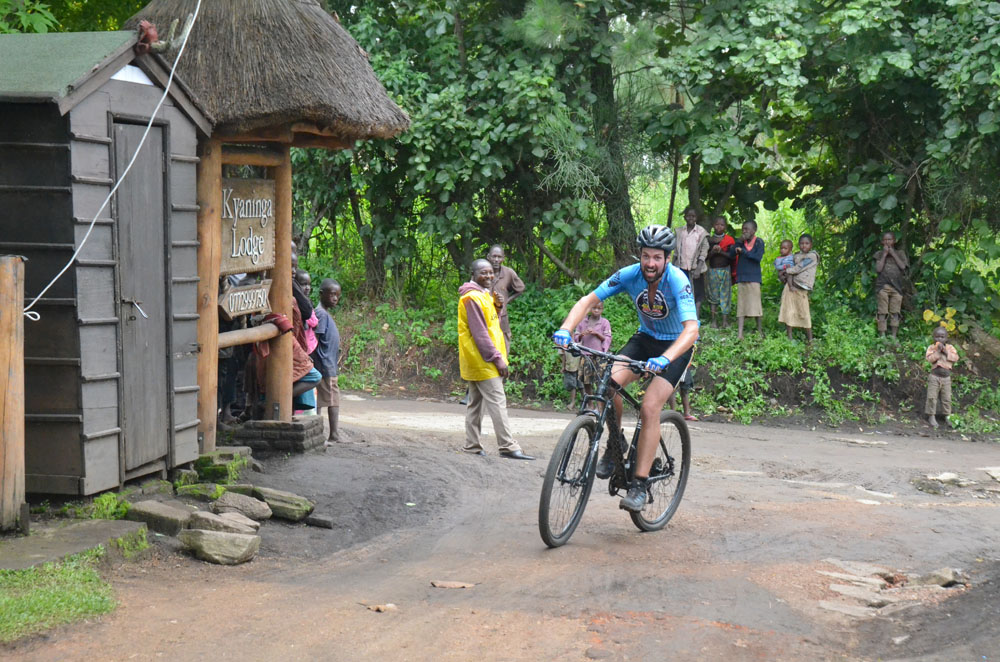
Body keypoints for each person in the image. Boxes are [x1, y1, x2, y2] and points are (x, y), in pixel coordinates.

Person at [553, 225, 699, 512]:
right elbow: (588, 300)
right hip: (645, 339)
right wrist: (566, 329)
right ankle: (616, 440)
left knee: (649, 407)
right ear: (640, 256)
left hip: (676, 348)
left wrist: (665, 359)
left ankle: (640, 484)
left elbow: (691, 330)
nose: (650, 263)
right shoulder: (630, 274)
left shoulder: (678, 281)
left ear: (666, 259)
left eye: (657, 257)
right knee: (608, 383)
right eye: (646, 256)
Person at [458, 259, 534, 460]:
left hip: (478, 359)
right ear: (473, 274)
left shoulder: (483, 295)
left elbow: (491, 323)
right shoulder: (472, 298)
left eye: (491, 272)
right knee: (497, 401)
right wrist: (497, 358)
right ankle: (507, 446)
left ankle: (471, 445)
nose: (489, 276)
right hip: (483, 359)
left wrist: (498, 307)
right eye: (484, 273)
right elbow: (480, 333)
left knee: (475, 403)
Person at [313, 279, 342, 444]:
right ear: (322, 294)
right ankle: (331, 434)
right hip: (325, 364)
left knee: (323, 399)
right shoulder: (321, 314)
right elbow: (314, 339)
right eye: (332, 294)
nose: (335, 298)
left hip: (328, 363)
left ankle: (330, 433)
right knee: (329, 398)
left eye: (337, 295)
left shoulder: (325, 313)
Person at [727, 220, 765, 340]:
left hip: (754, 277)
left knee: (756, 305)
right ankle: (740, 334)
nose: (744, 231)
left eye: (747, 229)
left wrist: (743, 252)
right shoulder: (741, 243)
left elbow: (757, 257)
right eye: (743, 229)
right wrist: (738, 241)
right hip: (742, 277)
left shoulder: (759, 242)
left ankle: (759, 330)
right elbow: (731, 253)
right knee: (741, 305)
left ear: (754, 231)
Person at [778, 234, 819, 342]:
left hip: (801, 288)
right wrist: (783, 273)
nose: (804, 246)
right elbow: (789, 264)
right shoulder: (796, 255)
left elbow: (798, 268)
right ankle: (789, 337)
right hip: (790, 288)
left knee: (804, 313)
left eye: (807, 243)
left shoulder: (812, 256)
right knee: (789, 311)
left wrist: (785, 271)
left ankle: (810, 339)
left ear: (811, 245)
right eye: (801, 243)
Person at [573, 299, 613, 406]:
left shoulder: (604, 322)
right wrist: (582, 334)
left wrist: (596, 334)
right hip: (586, 355)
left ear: (602, 310)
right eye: (594, 308)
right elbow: (576, 336)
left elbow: (608, 338)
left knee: (600, 382)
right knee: (586, 381)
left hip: (599, 356)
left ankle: (600, 407)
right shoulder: (583, 322)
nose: (596, 310)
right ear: (590, 309)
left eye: (599, 308)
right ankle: (590, 405)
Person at [486, 245, 525, 347]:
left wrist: (507, 301)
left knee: (504, 347)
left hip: (502, 317)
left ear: (503, 258)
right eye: (494, 256)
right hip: (484, 317)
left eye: (499, 257)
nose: (496, 260)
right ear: (488, 257)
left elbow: (520, 289)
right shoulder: (482, 272)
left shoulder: (508, 273)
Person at [674, 206, 708, 314]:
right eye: (688, 216)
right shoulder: (680, 232)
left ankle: (696, 316)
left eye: (693, 216)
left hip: (696, 268)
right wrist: (673, 266)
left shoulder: (701, 232)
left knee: (697, 293)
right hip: (682, 266)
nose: (691, 218)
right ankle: (684, 315)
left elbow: (704, 251)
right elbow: (676, 250)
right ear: (685, 217)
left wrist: (698, 268)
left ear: (696, 218)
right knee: (682, 291)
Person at [874, 231, 909, 338]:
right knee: (882, 311)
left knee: (895, 311)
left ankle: (894, 336)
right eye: (885, 240)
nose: (887, 242)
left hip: (896, 287)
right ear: (882, 242)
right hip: (883, 286)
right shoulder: (879, 254)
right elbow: (878, 269)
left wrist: (893, 253)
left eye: (889, 239)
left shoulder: (900, 253)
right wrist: (885, 254)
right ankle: (882, 334)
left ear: (894, 241)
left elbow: (903, 267)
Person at [924, 326, 959, 429]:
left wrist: (945, 352)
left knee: (946, 398)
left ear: (946, 338)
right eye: (937, 337)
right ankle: (931, 416)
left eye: (942, 337)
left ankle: (947, 415)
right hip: (934, 376)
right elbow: (930, 359)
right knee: (931, 397)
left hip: (946, 378)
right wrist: (938, 352)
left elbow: (955, 358)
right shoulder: (931, 348)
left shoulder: (950, 348)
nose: (939, 339)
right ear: (933, 338)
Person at [705, 216, 734, 328]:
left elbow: (731, 257)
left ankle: (724, 321)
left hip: (725, 270)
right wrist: (713, 251)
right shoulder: (710, 240)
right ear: (713, 225)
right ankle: (713, 321)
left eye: (722, 225)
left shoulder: (729, 240)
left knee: (725, 295)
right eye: (717, 224)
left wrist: (721, 251)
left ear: (725, 227)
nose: (719, 227)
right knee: (713, 296)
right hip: (712, 271)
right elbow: (706, 257)